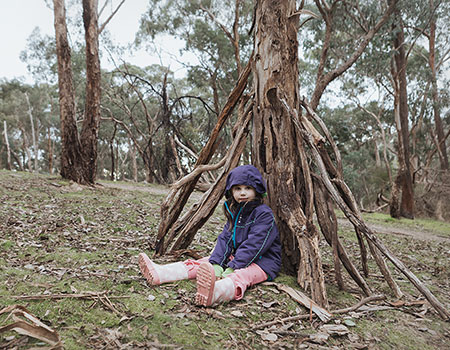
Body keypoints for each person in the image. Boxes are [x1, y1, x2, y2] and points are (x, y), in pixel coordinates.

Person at [138, 165, 281, 307]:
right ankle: (161, 273)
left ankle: (215, 293)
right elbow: (225, 240)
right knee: (204, 263)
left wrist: (233, 267)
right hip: (238, 258)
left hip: (263, 263)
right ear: (231, 191)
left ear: (257, 190)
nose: (242, 193)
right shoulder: (235, 213)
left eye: (248, 188)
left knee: (242, 276)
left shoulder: (263, 214)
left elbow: (255, 245)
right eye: (238, 189)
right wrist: (217, 264)